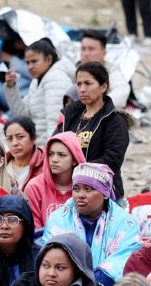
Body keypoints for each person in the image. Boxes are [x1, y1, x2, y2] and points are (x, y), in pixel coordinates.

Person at [42, 162, 141, 286]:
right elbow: (50, 260)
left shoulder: (126, 223)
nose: (80, 195)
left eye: (88, 189)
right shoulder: (59, 219)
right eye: (76, 188)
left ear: (105, 193)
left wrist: (86, 285)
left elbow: (121, 263)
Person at [55, 62, 131, 199]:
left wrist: (77, 169)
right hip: (69, 188)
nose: (82, 89)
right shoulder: (70, 115)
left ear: (103, 87)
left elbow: (112, 160)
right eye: (79, 84)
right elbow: (54, 145)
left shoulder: (114, 120)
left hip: (102, 190)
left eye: (88, 83)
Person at [4, 39, 74, 144]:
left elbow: (56, 123)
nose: (30, 67)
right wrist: (11, 87)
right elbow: (23, 115)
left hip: (50, 148)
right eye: (28, 62)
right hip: (39, 145)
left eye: (34, 61)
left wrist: (50, 152)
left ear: (49, 59)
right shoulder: (37, 80)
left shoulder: (56, 78)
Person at [23, 132, 87, 230]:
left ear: (74, 159)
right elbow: (34, 230)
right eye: (50, 154)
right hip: (44, 244)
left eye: (61, 155)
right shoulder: (34, 187)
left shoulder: (87, 188)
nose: (54, 159)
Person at [77, 31, 129, 110]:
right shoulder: (74, 68)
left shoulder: (111, 70)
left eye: (91, 49)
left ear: (104, 53)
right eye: (83, 49)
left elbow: (122, 90)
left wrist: (98, 104)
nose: (86, 53)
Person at [4, 116, 45, 191]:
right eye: (9, 138)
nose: (14, 143)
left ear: (33, 138)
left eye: (20, 137)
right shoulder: (0, 164)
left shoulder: (46, 164)